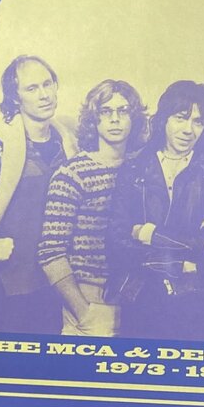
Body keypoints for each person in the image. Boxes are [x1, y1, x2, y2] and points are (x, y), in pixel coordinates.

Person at [107, 81, 204, 341]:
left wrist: (148, 234)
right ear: (164, 119)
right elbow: (117, 240)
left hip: (194, 303)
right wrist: (183, 260)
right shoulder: (134, 169)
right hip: (140, 298)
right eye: (181, 117)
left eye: (198, 122)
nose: (188, 129)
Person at [0, 56, 77, 334]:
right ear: (15, 98)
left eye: (48, 84)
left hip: (55, 283)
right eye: (32, 88)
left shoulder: (68, 142)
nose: (44, 95)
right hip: (7, 285)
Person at [39, 80, 147, 337]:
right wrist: (84, 312)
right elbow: (50, 252)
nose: (114, 119)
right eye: (105, 111)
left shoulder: (145, 170)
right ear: (93, 119)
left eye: (123, 111)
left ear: (134, 118)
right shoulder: (72, 173)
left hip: (138, 303)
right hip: (90, 302)